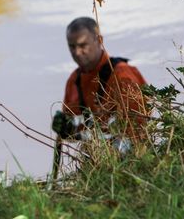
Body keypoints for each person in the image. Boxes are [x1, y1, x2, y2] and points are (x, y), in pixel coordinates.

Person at [52, 17, 148, 154]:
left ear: (99, 40)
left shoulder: (122, 76)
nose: (76, 53)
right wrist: (67, 130)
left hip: (130, 162)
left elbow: (137, 131)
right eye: (72, 46)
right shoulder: (74, 81)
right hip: (95, 164)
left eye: (82, 45)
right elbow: (79, 129)